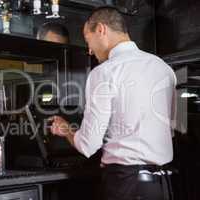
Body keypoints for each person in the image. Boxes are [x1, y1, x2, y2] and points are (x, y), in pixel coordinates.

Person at [50, 7, 176, 200]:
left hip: (125, 184)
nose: (90, 50)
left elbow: (87, 145)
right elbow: (170, 127)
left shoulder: (104, 73)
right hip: (163, 185)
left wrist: (65, 129)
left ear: (101, 29)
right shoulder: (163, 68)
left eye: (87, 40)